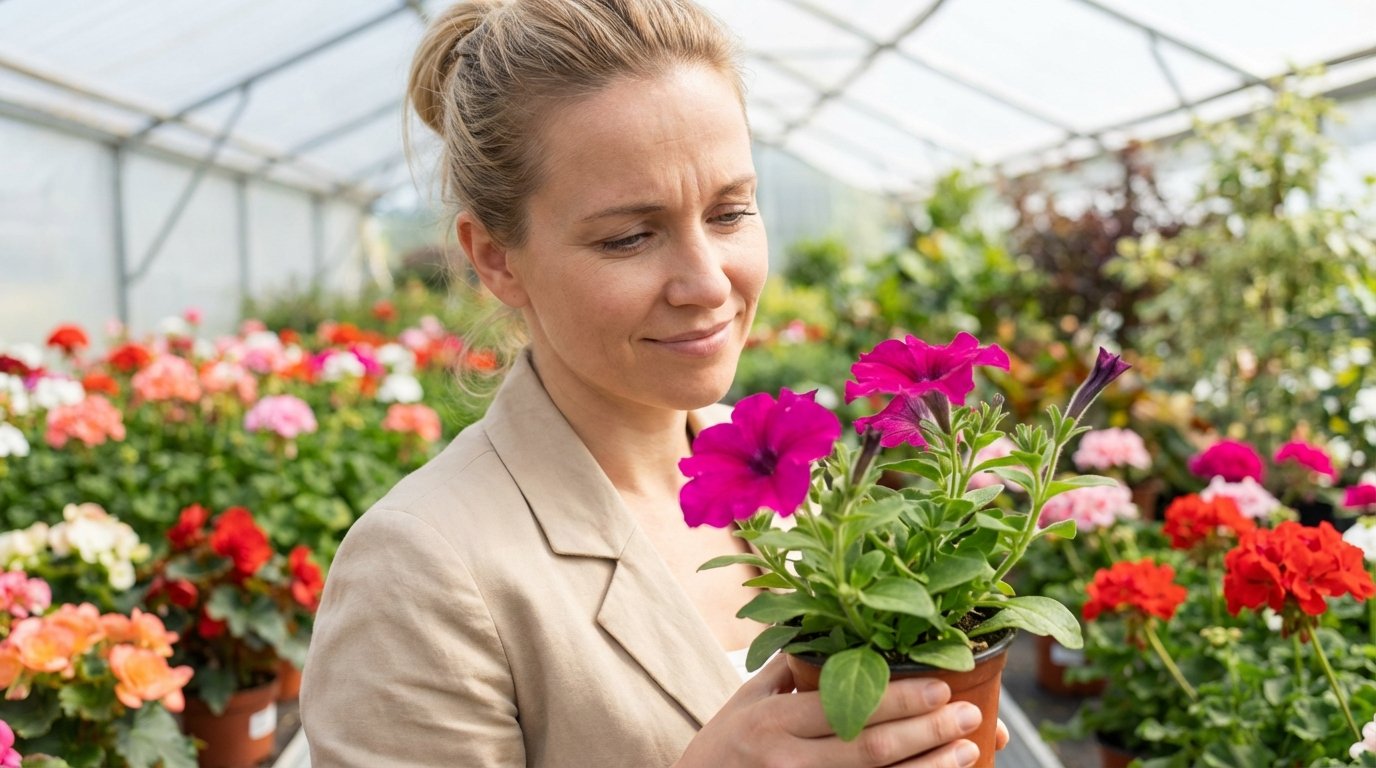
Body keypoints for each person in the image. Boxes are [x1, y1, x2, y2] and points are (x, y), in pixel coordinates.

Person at [302, 1, 1004, 766]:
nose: (707, 283)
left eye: (731, 211)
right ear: (496, 258)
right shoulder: (419, 569)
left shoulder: (790, 477)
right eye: (629, 237)